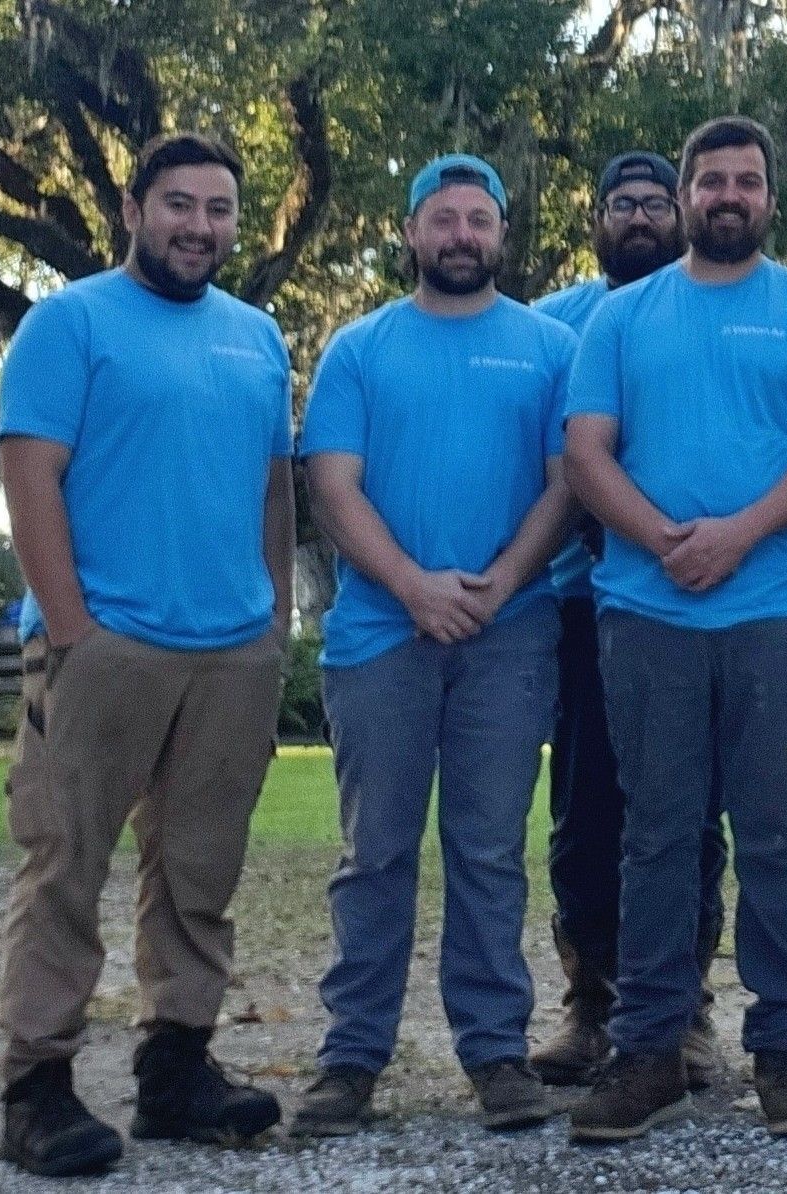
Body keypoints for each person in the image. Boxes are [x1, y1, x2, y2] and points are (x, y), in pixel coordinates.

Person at [0, 132, 291, 1176]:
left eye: (217, 209)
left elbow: (271, 492)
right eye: (179, 206)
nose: (198, 227)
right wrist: (71, 630)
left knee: (199, 873)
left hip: (231, 655)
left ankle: (176, 1071)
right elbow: (29, 477)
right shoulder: (67, 323)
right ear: (134, 208)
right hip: (106, 644)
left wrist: (273, 627)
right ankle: (36, 1086)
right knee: (67, 866)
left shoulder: (259, 337)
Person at [562, 116, 787, 1141]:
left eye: (746, 181)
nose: (727, 196)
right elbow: (587, 454)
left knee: (775, 833)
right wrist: (660, 540)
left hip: (780, 607)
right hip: (647, 611)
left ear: (769, 199)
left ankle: (785, 1051)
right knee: (656, 835)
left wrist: (735, 537)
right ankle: (647, 1051)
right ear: (685, 196)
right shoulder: (621, 317)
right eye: (709, 181)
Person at [290, 154, 579, 1137]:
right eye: (442, 219)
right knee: (374, 852)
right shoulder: (359, 350)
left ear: (501, 235)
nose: (461, 235)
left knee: (489, 850)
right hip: (380, 633)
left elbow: (565, 481)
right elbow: (332, 485)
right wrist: (411, 586)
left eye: (479, 220)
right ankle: (351, 1055)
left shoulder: (546, 347)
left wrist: (499, 583)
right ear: (409, 234)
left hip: (511, 632)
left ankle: (496, 1050)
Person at [529, 150, 730, 1092]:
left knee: (688, 812)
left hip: (695, 601)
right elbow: (552, 464)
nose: (641, 218)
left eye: (657, 202)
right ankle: (591, 1004)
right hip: (580, 603)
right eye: (623, 204)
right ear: (596, 219)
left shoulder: (720, 308)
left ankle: (683, 1010)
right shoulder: (552, 327)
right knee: (584, 816)